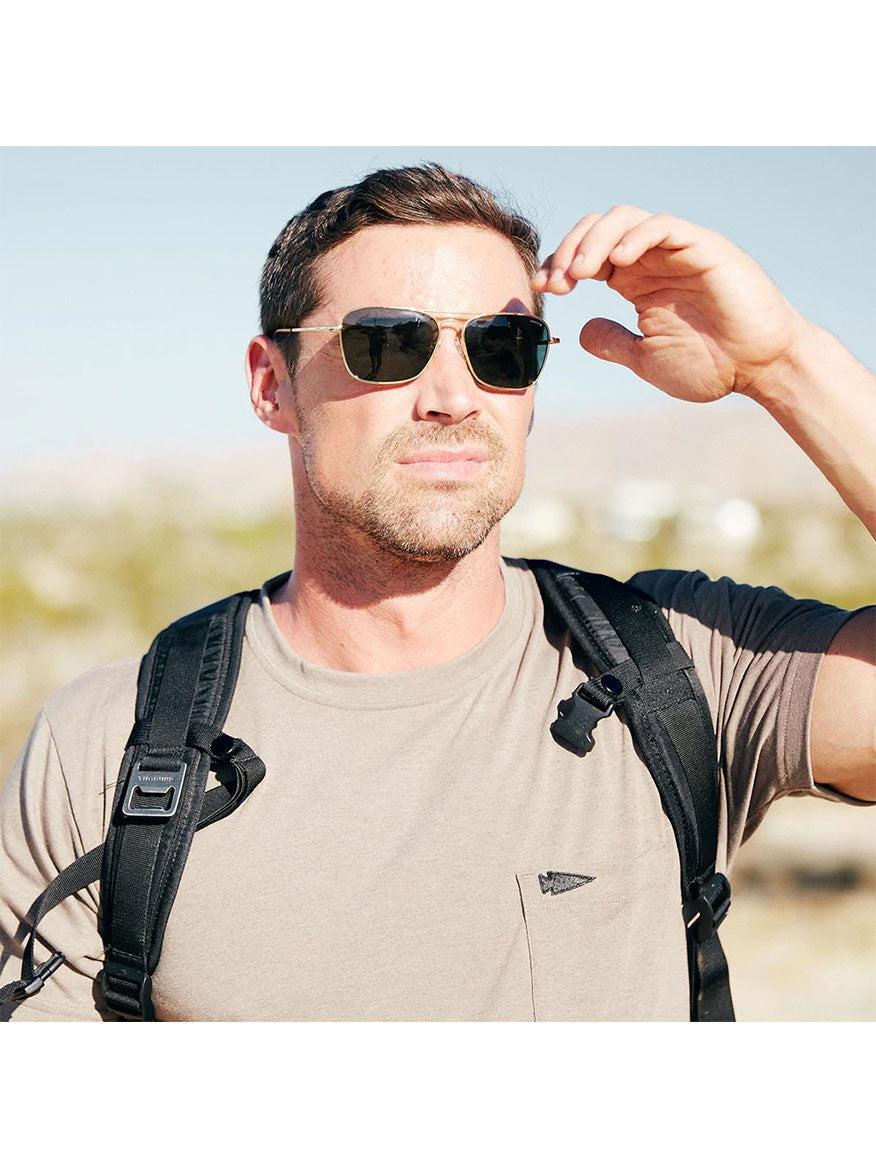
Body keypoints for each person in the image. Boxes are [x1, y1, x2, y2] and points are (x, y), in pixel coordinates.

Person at [1, 163, 873, 1022]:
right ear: (273, 386)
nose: (455, 397)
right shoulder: (109, 747)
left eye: (503, 346)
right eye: (389, 343)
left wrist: (786, 364)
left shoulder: (686, 662)